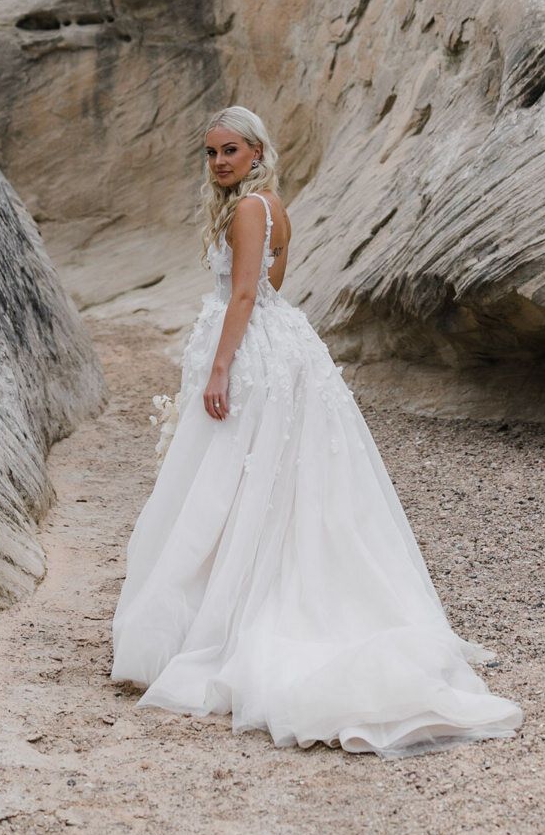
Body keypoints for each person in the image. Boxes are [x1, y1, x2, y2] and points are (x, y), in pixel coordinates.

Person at [109, 105, 523, 756]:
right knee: (257, 482)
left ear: (256, 151)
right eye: (210, 152)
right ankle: (231, 597)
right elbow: (275, 283)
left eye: (230, 151)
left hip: (250, 355)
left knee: (231, 480)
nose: (219, 161)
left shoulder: (248, 210)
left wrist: (221, 366)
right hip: (282, 348)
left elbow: (246, 294)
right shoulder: (275, 206)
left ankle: (221, 618)